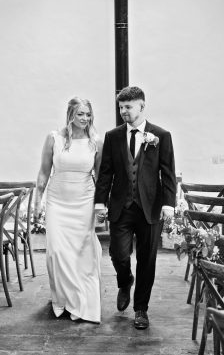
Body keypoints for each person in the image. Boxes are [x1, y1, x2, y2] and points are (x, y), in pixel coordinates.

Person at [95, 86, 176, 330]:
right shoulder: (113, 136)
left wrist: (168, 205)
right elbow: (106, 173)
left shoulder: (161, 135)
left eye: (128, 107)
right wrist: (100, 202)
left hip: (150, 208)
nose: (123, 112)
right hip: (121, 205)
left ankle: (141, 308)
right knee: (118, 253)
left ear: (142, 106)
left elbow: (168, 173)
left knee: (147, 259)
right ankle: (125, 279)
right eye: (121, 107)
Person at [34, 97, 103, 323]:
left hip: (84, 200)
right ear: (70, 114)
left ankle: (80, 301)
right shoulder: (54, 138)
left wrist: (102, 205)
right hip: (57, 201)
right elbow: (44, 172)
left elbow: (101, 177)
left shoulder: (96, 142)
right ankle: (62, 299)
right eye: (80, 114)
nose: (85, 118)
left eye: (88, 114)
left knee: (81, 253)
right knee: (56, 252)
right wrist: (37, 201)